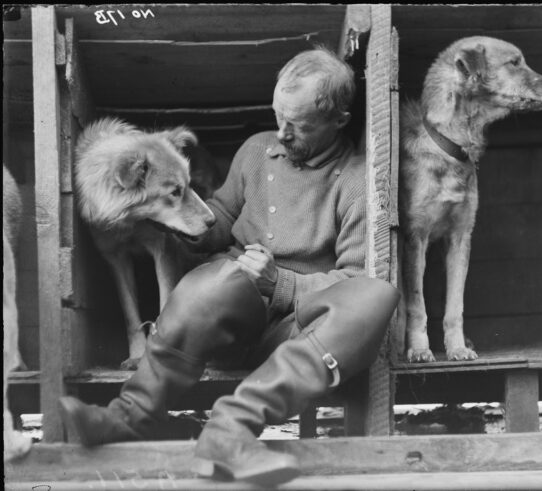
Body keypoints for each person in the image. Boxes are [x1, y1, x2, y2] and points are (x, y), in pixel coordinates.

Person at [58, 47, 399, 487]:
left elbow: (352, 279)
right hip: (227, 316)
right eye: (278, 117)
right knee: (221, 275)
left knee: (376, 295)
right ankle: (127, 416)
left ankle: (231, 429)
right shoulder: (256, 150)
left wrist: (280, 282)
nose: (282, 132)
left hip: (296, 334)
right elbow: (217, 219)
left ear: (339, 120)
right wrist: (178, 215)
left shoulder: (355, 181)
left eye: (298, 125)